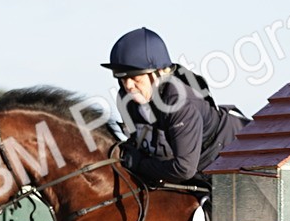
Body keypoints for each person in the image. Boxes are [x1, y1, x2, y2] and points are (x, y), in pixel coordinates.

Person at [102, 27, 246, 188]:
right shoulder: (126, 99)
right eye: (122, 78)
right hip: (195, 161)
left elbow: (183, 169)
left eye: (135, 77)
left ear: (159, 73)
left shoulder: (179, 102)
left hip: (234, 156)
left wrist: (140, 165)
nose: (128, 85)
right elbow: (141, 143)